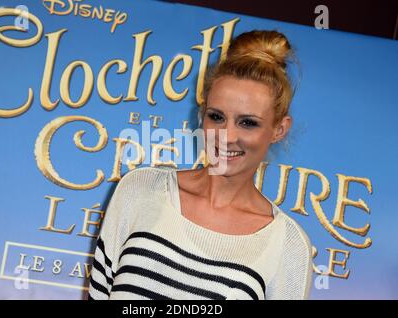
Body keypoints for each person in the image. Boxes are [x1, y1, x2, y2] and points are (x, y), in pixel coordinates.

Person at [88, 30, 313, 300]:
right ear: (201, 114)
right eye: (216, 117)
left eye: (248, 122)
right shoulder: (140, 189)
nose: (226, 136)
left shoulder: (287, 245)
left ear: (279, 129)